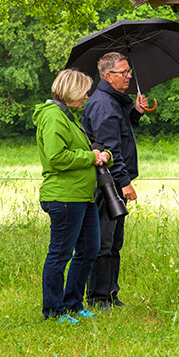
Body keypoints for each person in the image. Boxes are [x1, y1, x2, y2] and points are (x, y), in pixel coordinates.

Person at [32, 69, 111, 323]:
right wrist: (91, 157)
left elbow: (79, 148)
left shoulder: (68, 116)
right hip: (64, 196)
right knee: (60, 253)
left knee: (89, 249)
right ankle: (54, 311)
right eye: (84, 92)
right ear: (71, 91)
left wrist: (100, 152)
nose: (87, 97)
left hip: (82, 195)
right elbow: (56, 157)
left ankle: (74, 303)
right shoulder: (54, 117)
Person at [82, 52, 151, 309]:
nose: (129, 76)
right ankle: (98, 298)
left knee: (114, 242)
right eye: (124, 72)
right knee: (103, 242)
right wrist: (124, 182)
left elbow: (120, 133)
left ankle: (110, 293)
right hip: (106, 184)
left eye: (129, 71)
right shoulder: (103, 105)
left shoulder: (114, 102)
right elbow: (110, 149)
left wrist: (135, 112)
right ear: (109, 76)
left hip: (113, 182)